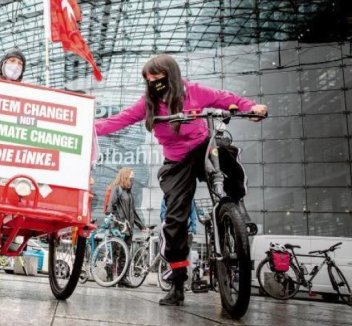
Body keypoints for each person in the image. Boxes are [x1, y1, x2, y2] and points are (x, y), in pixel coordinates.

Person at [94, 54, 267, 306]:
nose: (153, 82)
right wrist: (85, 126)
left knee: (227, 157)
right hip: (176, 162)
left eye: (157, 76)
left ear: (171, 75)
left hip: (201, 147)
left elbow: (224, 98)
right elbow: (117, 120)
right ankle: (177, 282)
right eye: (148, 79)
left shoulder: (193, 92)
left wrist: (250, 107)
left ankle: (235, 208)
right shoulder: (148, 104)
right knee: (175, 219)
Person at [104, 167, 146, 285]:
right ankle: (110, 276)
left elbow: (133, 211)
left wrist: (141, 225)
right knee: (115, 252)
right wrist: (115, 221)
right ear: (125, 177)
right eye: (131, 177)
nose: (133, 180)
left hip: (128, 228)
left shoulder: (129, 193)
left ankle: (122, 278)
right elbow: (110, 207)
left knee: (125, 253)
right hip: (119, 227)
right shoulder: (116, 189)